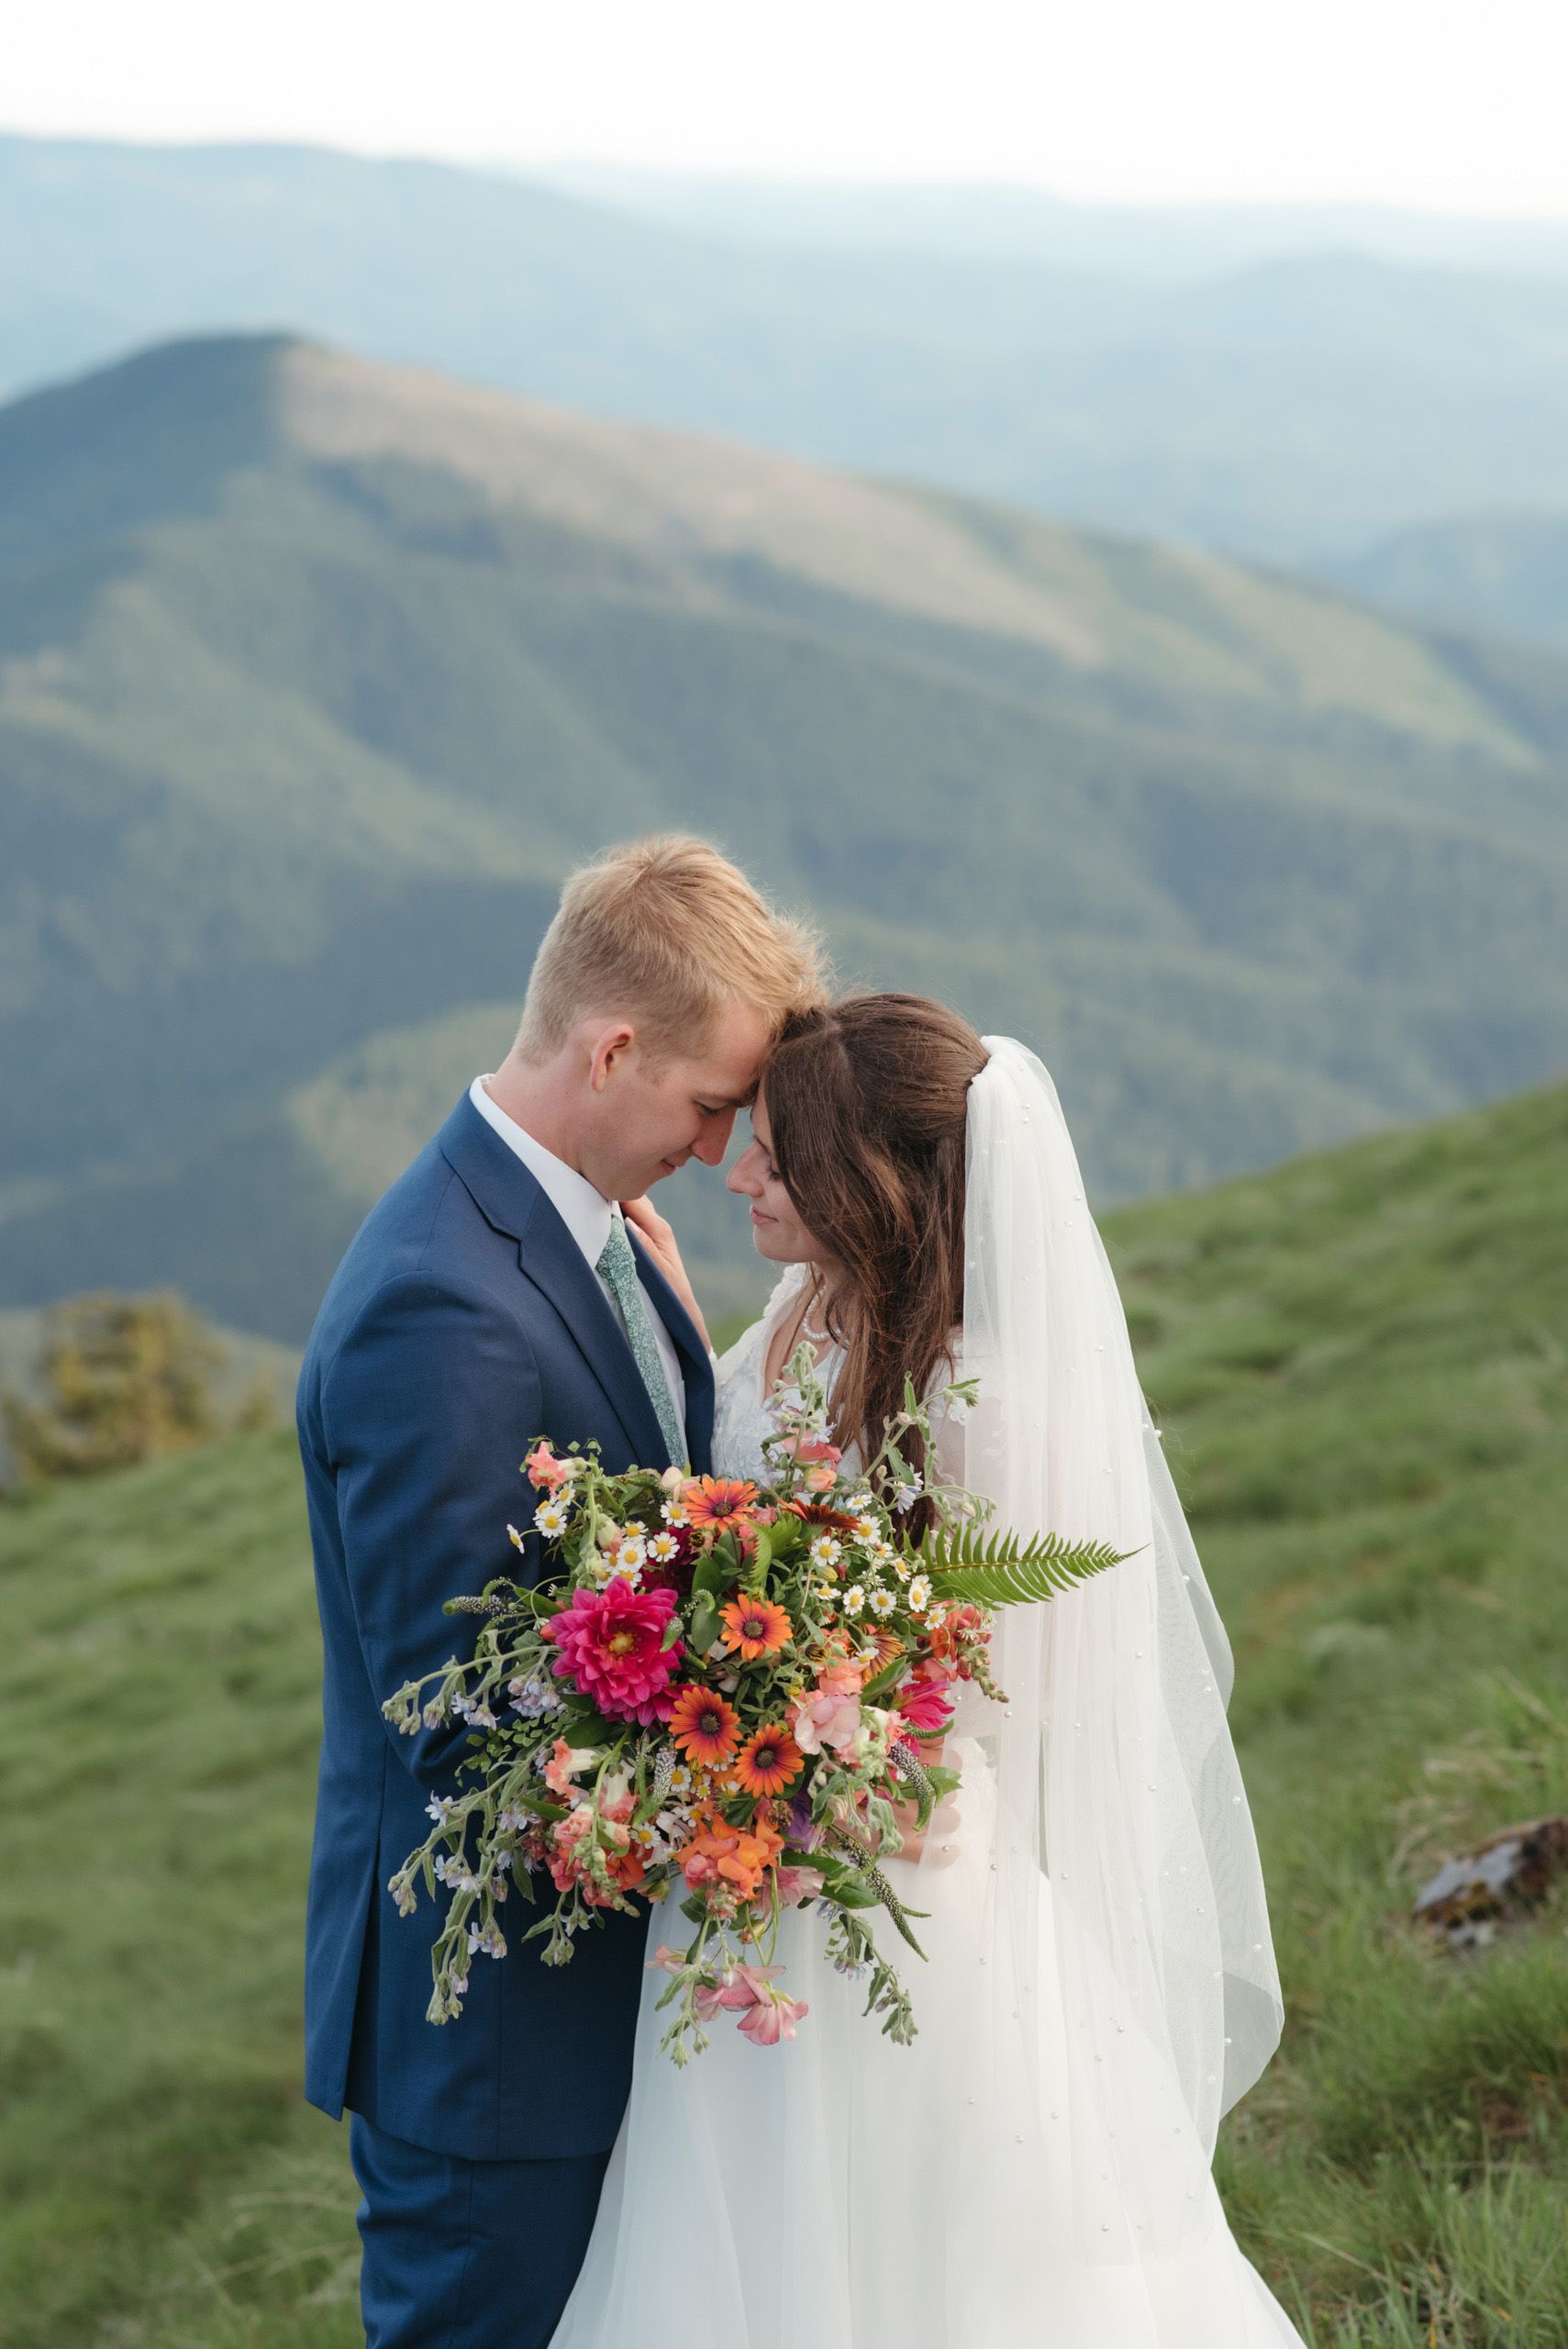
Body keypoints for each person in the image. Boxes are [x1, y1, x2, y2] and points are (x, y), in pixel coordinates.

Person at [551, 993, 1307, 2348]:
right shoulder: (798, 1308)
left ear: (873, 1187)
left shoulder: (991, 1407)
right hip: (743, 1886)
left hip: (902, 1891)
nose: (737, 1176)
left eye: (778, 1159)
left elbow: (1044, 1696)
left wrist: (851, 1749)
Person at [295, 837, 824, 2349]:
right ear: (610, 1047)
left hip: (606, 1999)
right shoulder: (436, 1304)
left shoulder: (602, 1231)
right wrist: (762, 1781)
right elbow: (461, 1714)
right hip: (499, 2047)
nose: (723, 1154)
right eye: (709, 1106)